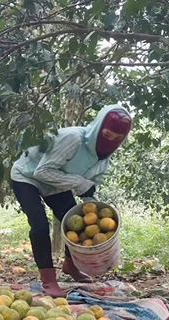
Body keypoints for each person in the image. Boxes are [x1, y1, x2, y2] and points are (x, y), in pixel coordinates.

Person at [10, 104, 132, 297]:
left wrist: (94, 205)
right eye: (107, 135)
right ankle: (48, 279)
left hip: (57, 182)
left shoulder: (103, 159)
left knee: (76, 222)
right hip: (28, 175)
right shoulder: (73, 138)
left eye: (118, 139)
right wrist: (78, 182)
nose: (110, 142)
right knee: (40, 225)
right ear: (99, 128)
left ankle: (70, 265)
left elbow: (89, 188)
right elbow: (41, 171)